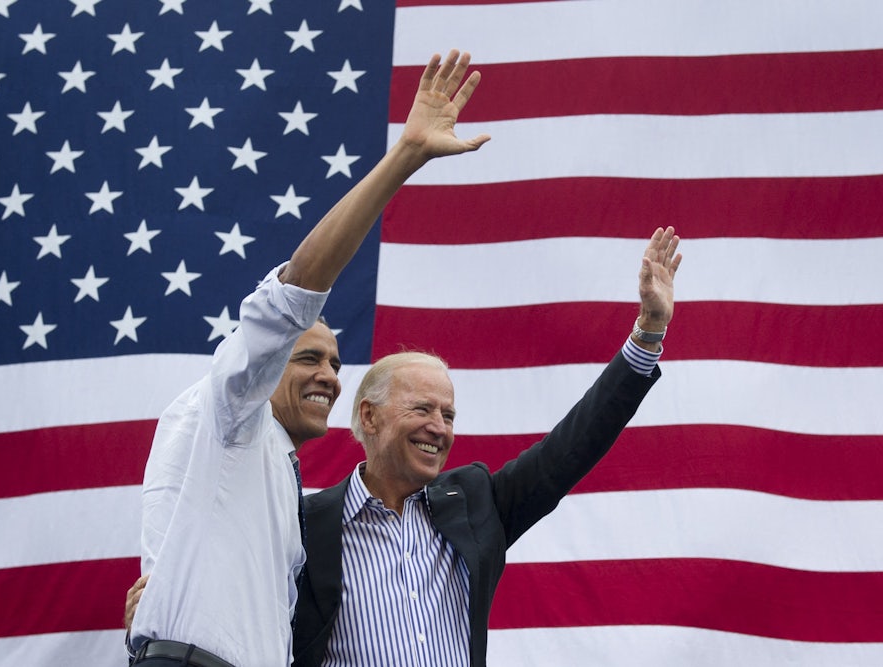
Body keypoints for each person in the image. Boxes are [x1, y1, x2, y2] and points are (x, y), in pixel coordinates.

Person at [127, 227, 682, 666]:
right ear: (368, 416)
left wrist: (647, 336)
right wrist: (162, 612)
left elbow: (570, 450)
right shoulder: (305, 528)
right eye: (422, 409)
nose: (439, 427)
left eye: (448, 414)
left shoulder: (476, 504)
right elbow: (241, 597)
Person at [127, 50, 490, 667]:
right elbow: (290, 297)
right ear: (267, 365)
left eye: (335, 363)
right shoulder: (232, 409)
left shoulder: (268, 470)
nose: (329, 376)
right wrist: (404, 159)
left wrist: (160, 602)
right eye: (308, 359)